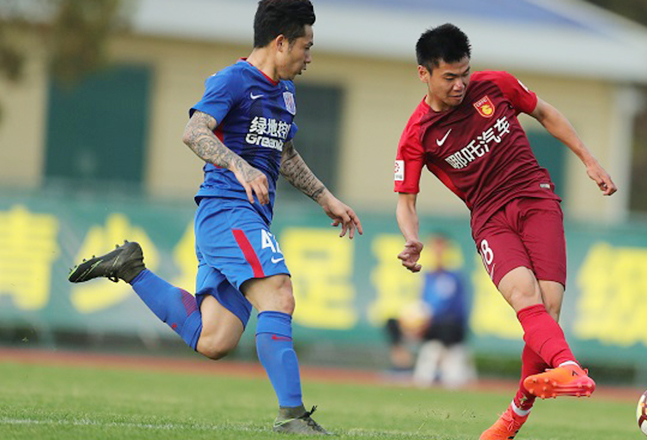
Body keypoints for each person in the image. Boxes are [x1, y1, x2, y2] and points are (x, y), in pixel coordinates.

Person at [68, 0, 361, 435]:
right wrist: (239, 166)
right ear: (281, 42)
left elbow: (284, 153)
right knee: (279, 294)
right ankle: (292, 416)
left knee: (215, 340)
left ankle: (132, 268)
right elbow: (195, 131)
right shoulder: (232, 80)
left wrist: (325, 197)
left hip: (244, 217)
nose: (309, 57)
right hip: (227, 211)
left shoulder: (285, 92)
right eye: (306, 46)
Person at [393, 24, 617, 440]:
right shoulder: (418, 134)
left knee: (548, 310)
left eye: (464, 73)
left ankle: (514, 416)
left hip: (537, 198)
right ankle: (569, 368)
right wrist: (412, 237)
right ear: (423, 74)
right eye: (449, 77)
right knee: (524, 298)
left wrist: (589, 159)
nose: (460, 84)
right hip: (490, 219)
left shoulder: (495, 85)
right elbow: (406, 199)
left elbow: (546, 113)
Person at [412, 232, 475, 389]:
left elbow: (451, 308)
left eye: (441, 249)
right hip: (433, 327)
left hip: (451, 328)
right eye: (435, 249)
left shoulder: (453, 277)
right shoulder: (427, 277)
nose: (438, 253)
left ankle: (446, 370)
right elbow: (424, 306)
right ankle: (402, 365)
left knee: (444, 330)